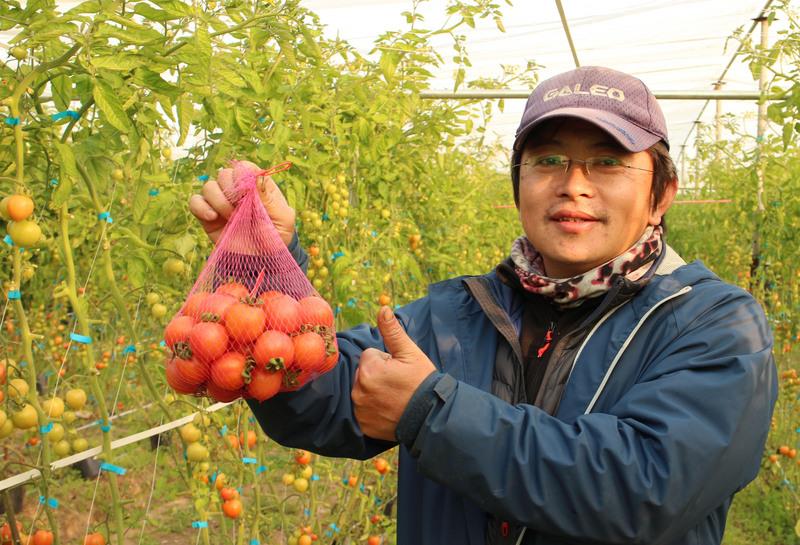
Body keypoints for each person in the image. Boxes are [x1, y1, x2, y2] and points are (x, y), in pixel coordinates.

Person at [189, 66, 777, 545]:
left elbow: (644, 489)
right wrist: (268, 266)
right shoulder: (457, 313)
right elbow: (324, 398)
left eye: (608, 162)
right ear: (518, 184)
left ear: (660, 194)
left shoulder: (716, 325)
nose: (573, 184)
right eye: (547, 160)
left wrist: (429, 412)